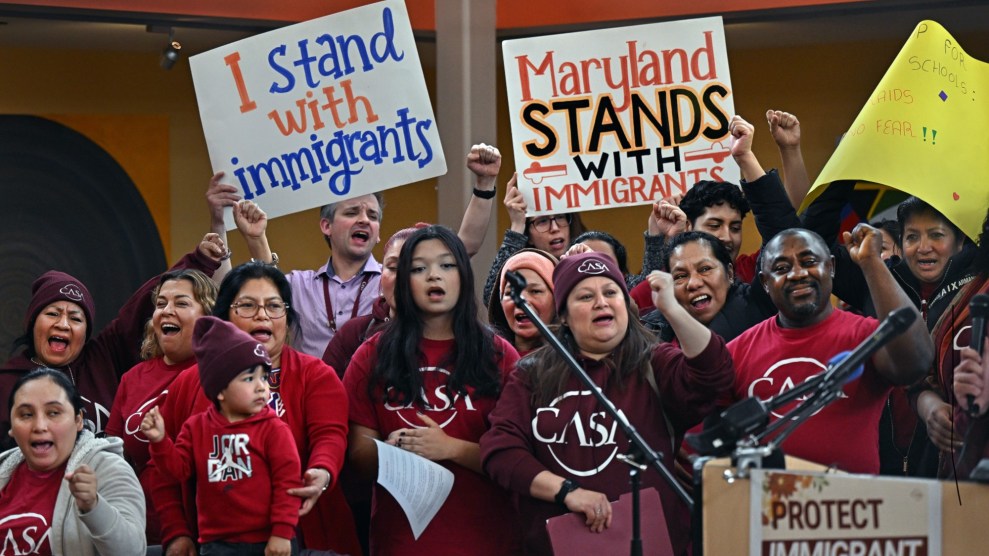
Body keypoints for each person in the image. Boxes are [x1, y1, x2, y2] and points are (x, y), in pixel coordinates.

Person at [481, 252, 734, 556]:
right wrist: (567, 492)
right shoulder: (531, 373)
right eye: (585, 296)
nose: (601, 302)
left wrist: (672, 309)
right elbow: (500, 451)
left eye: (611, 292)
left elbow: (713, 373)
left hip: (649, 542)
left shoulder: (654, 362)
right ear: (562, 315)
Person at [152, 262, 357, 556]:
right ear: (224, 318)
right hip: (214, 545)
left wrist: (321, 472)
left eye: (274, 306)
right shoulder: (189, 383)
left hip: (301, 538)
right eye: (247, 306)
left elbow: (331, 436)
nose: (262, 315)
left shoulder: (315, 374)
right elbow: (163, 467)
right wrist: (176, 531)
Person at [344, 225, 522, 555]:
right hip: (402, 541)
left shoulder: (499, 354)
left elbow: (517, 459)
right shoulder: (372, 354)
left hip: (489, 539)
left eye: (446, 265)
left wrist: (449, 448)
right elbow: (357, 454)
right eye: (418, 268)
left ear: (463, 276)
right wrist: (392, 449)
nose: (433, 277)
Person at [240, 144, 503, 356]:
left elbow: (462, 247)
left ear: (378, 233)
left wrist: (484, 185)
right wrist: (256, 237)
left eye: (373, 215)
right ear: (326, 225)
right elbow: (267, 289)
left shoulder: (397, 278)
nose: (364, 219)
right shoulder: (301, 285)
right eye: (352, 212)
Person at [725, 227, 932, 474]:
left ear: (831, 267)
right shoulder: (737, 350)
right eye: (781, 268)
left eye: (809, 261)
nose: (798, 274)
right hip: (766, 506)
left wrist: (871, 262)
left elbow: (916, 362)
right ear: (765, 282)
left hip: (851, 507)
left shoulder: (866, 336)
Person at [0, 235, 226, 450]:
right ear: (32, 322)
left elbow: (142, 308)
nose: (64, 324)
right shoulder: (6, 383)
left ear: (86, 331)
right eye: (52, 314)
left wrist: (198, 261)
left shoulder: (103, 357)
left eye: (76, 318)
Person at [143, 316, 301, 556]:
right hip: (216, 544)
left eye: (263, 377)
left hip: (268, 540)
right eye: (249, 378)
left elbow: (288, 482)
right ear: (220, 391)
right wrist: (160, 441)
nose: (261, 386)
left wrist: (282, 532)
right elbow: (177, 470)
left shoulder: (274, 429)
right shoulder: (196, 428)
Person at [629, 113, 802, 313]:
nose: (726, 237)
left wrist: (786, 150)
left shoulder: (753, 271)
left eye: (735, 227)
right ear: (688, 227)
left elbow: (787, 231)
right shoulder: (652, 290)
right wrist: (661, 239)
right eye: (714, 225)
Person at [106, 269, 217, 545]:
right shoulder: (132, 379)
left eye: (181, 303)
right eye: (160, 304)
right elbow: (112, 458)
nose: (167, 311)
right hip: (142, 532)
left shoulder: (219, 375)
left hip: (205, 533)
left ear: (208, 317)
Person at [0, 368, 146, 556]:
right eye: (26, 415)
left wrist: (94, 506)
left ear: (78, 420)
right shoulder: (4, 472)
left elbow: (133, 551)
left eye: (53, 413)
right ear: (11, 427)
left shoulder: (107, 468)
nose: (39, 426)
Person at [644, 231, 776, 344]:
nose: (694, 283)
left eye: (705, 269)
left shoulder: (757, 304)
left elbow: (777, 231)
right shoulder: (652, 331)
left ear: (729, 273)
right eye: (680, 276)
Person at [486, 249, 558, 356]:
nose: (521, 299)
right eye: (511, 292)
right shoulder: (485, 360)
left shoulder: (573, 363)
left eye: (535, 291)